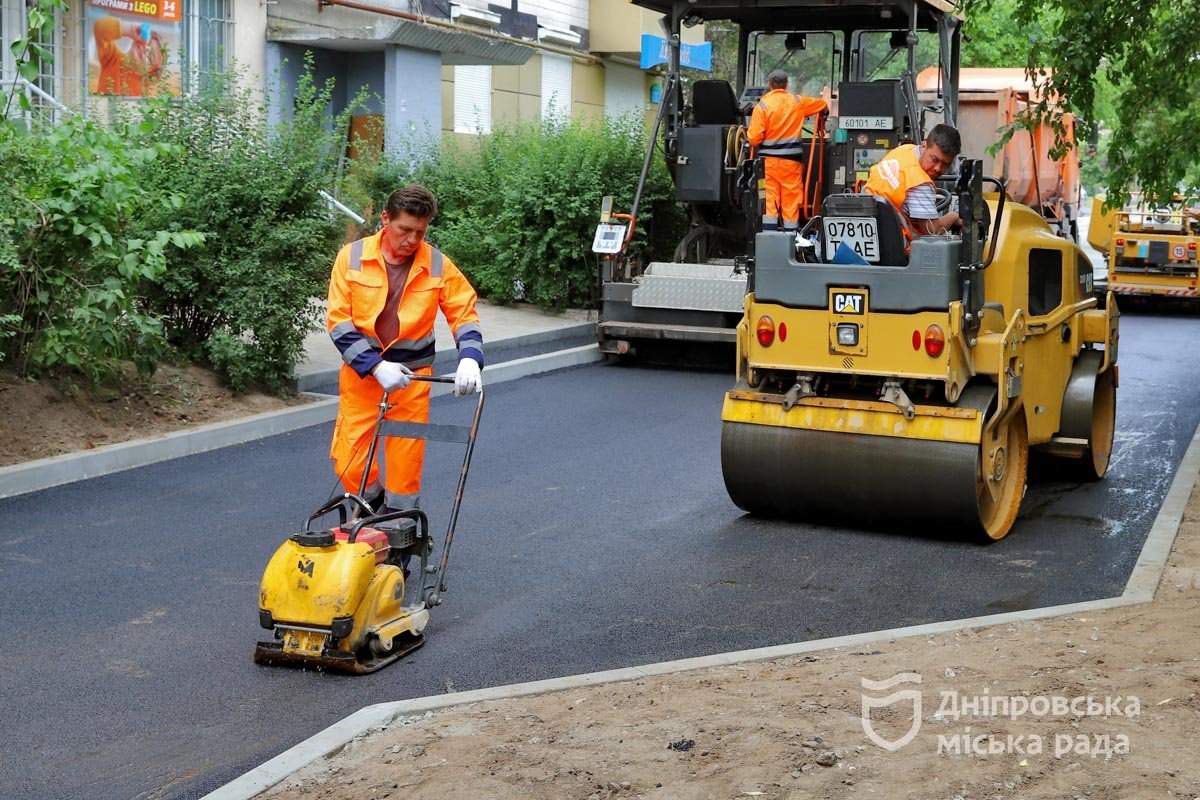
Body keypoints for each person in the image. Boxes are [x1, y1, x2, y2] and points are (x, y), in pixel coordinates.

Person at [326, 185, 484, 515]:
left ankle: (401, 524)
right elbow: (339, 323)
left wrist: (470, 358)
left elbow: (464, 313)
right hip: (363, 377)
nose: (412, 240)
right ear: (385, 219)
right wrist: (374, 365)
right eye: (405, 230)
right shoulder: (352, 258)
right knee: (349, 456)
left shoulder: (437, 264)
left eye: (420, 232)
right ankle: (372, 506)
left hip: (413, 379)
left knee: (405, 463)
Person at [746, 69, 829, 232]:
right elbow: (822, 105)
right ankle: (791, 239)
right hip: (791, 164)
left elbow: (754, 139)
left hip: (768, 164)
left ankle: (769, 238)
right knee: (791, 203)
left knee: (769, 202)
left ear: (769, 85)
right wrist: (824, 115)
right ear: (786, 85)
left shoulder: (762, 106)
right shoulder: (797, 102)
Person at [864, 123, 962, 236]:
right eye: (934, 159)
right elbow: (932, 231)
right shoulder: (920, 182)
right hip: (894, 239)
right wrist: (954, 217)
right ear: (924, 146)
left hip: (869, 220)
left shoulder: (904, 150)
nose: (938, 168)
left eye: (945, 164)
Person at [92, 16, 163, 97]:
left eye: (151, 55)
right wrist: (130, 29)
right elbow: (100, 27)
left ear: (151, 72)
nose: (145, 49)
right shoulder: (112, 58)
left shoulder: (143, 93)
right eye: (147, 42)